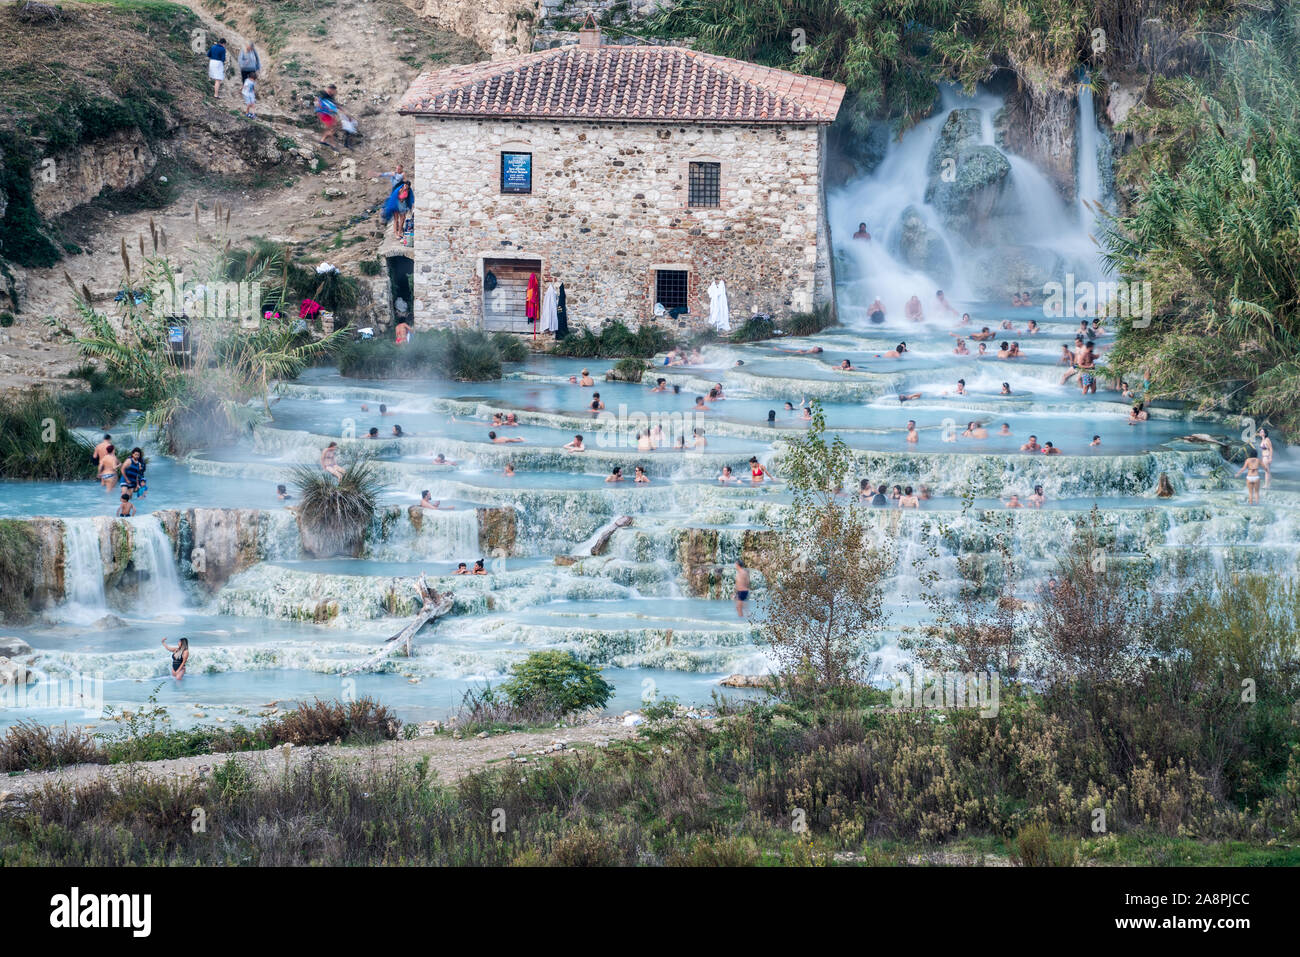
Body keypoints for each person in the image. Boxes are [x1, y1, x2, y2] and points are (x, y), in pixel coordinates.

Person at [316, 84, 342, 149]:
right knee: (331, 128)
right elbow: (317, 99)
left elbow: (334, 104)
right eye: (334, 91)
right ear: (331, 89)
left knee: (334, 125)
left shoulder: (330, 96)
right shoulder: (323, 94)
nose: (334, 92)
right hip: (323, 113)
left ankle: (323, 139)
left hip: (327, 114)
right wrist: (318, 104)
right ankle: (332, 144)